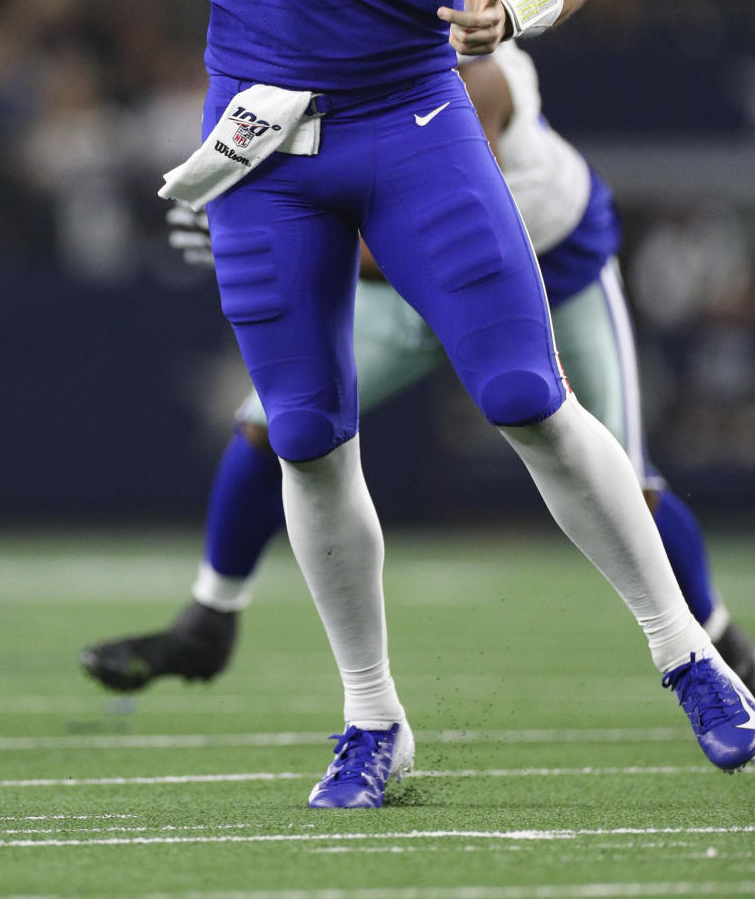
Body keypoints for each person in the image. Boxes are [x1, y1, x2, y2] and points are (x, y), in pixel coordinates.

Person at [12, 0, 755, 805]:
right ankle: (373, 721)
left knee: (527, 398)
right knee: (304, 432)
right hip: (260, 136)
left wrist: (519, 2)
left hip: (410, 117)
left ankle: (686, 651)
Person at [80, 41, 755, 695]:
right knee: (277, 424)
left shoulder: (473, 75)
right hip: (401, 282)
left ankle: (727, 652)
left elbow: (445, 235)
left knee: (622, 481)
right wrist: (243, 206)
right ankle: (209, 617)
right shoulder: (332, 37)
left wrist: (250, 231)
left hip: (544, 270)